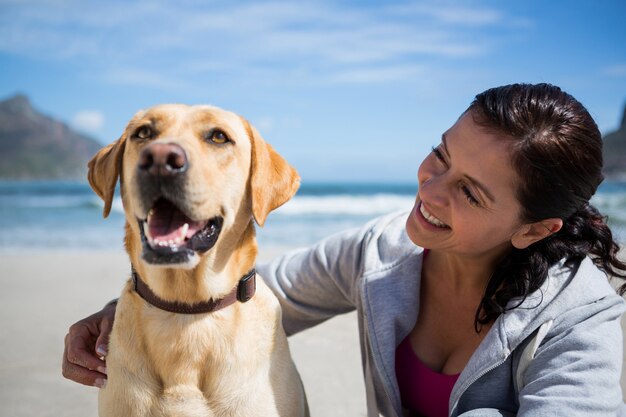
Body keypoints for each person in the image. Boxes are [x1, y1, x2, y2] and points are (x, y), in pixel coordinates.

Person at [62, 83, 626, 416]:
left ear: (533, 229)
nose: (429, 190)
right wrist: (116, 318)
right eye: (441, 155)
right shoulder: (380, 252)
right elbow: (255, 292)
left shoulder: (581, 322)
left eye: (469, 193)